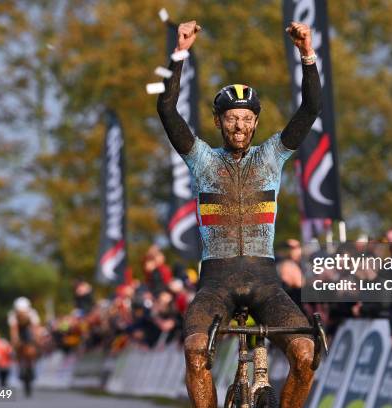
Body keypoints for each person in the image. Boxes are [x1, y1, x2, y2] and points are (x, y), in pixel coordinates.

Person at [157, 19, 321, 408]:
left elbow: (312, 107)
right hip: (216, 282)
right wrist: (180, 51)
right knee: (196, 353)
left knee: (305, 353)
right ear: (218, 122)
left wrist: (307, 52)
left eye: (247, 119)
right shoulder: (201, 160)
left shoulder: (272, 155)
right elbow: (166, 109)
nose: (240, 125)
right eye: (231, 118)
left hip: (266, 280)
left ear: (257, 123)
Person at [7, 297, 41, 397]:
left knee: (36, 347)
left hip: (28, 333)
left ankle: (33, 365)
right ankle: (18, 365)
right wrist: (15, 341)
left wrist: (37, 339)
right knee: (15, 349)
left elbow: (35, 328)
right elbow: (14, 330)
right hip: (20, 333)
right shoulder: (12, 315)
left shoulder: (32, 313)